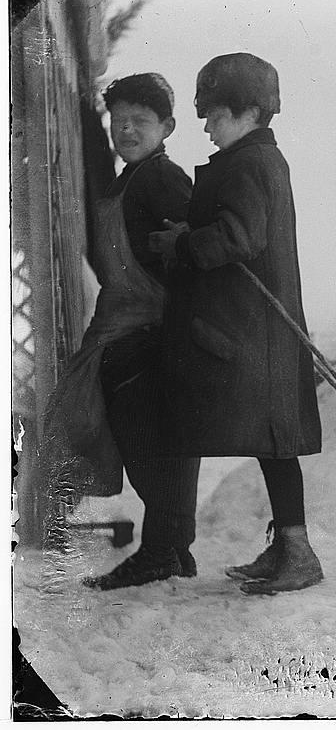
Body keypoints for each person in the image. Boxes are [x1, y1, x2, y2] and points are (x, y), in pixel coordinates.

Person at [149, 53, 323, 595]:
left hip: (257, 331)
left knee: (274, 443)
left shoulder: (249, 163)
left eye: (214, 113)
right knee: (274, 444)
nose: (205, 123)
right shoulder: (257, 159)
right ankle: (289, 548)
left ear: (249, 112)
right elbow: (238, 229)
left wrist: (182, 241)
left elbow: (241, 237)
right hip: (262, 328)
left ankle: (298, 554)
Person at [45, 73, 202, 590]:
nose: (127, 130)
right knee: (139, 441)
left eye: (141, 121)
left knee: (152, 445)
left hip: (150, 330)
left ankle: (164, 552)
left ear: (168, 127)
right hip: (119, 323)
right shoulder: (127, 179)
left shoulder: (162, 178)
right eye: (120, 121)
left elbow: (192, 255)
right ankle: (170, 550)